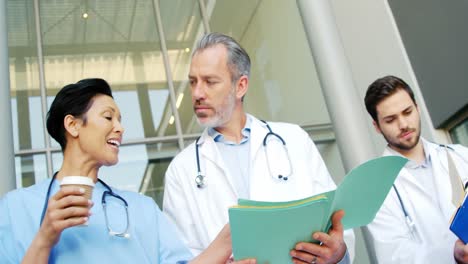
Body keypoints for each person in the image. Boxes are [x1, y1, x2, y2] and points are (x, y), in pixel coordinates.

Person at [0, 78, 255, 264]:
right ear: (73, 125)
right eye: (109, 117)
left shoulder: (141, 208)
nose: (120, 128)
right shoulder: (16, 208)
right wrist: (45, 237)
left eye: (120, 120)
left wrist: (229, 237)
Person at [163, 32, 354, 264]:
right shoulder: (181, 170)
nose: (197, 93)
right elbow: (181, 257)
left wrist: (338, 256)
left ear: (240, 86)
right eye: (193, 82)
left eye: (210, 82)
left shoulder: (293, 140)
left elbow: (335, 222)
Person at [364, 75, 468, 263]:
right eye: (390, 120)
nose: (403, 125)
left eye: (407, 112)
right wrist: (454, 253)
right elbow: (394, 256)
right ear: (377, 126)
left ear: (417, 108)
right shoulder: (376, 191)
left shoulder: (461, 156)